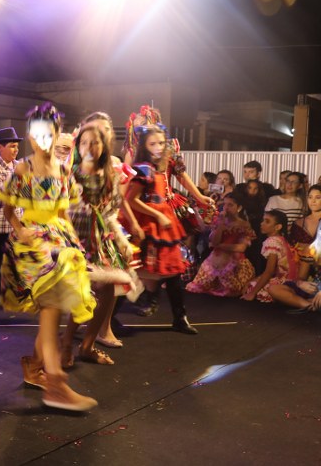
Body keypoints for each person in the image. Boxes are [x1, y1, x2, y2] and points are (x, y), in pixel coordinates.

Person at [0, 102, 97, 411]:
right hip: (33, 244)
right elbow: (8, 211)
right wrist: (21, 230)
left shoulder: (64, 171)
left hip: (59, 240)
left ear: (57, 135)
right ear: (30, 136)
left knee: (54, 308)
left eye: (49, 134)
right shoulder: (23, 169)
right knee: (53, 303)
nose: (43, 140)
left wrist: (77, 246)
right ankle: (54, 381)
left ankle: (34, 366)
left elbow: (64, 214)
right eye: (37, 134)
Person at [125, 124, 213, 334]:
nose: (158, 147)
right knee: (134, 267)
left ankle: (179, 317)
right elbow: (131, 199)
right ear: (144, 146)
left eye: (161, 143)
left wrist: (199, 197)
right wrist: (156, 215)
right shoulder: (143, 167)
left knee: (174, 270)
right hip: (148, 220)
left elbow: (182, 177)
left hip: (165, 217)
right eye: (152, 144)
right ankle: (111, 318)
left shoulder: (169, 159)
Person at [60, 124, 134, 368]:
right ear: (78, 146)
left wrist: (121, 239)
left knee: (107, 290)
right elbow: (60, 209)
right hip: (75, 237)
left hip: (99, 239)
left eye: (95, 142)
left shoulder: (109, 175)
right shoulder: (69, 173)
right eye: (84, 142)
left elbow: (110, 212)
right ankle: (66, 344)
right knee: (83, 293)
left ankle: (87, 346)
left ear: (104, 146)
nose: (89, 147)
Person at [186, 193, 255, 297]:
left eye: (230, 205)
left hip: (235, 261)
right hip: (215, 260)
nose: (226, 208)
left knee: (232, 290)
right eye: (225, 204)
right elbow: (214, 241)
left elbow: (241, 248)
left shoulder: (244, 225)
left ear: (239, 208)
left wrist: (219, 246)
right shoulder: (218, 221)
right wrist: (221, 225)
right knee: (198, 287)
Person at [0, 127, 24, 306]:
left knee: (14, 260)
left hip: (16, 221)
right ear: (1, 148)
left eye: (17, 146)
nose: (16, 150)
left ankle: (11, 293)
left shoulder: (18, 166)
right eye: (12, 146)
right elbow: (2, 194)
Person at [242, 210, 297, 302]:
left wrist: (252, 293)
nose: (261, 224)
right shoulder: (281, 239)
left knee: (251, 287)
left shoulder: (272, 241)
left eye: (267, 221)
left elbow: (269, 271)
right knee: (253, 282)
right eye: (263, 220)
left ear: (278, 227)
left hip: (284, 281)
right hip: (291, 279)